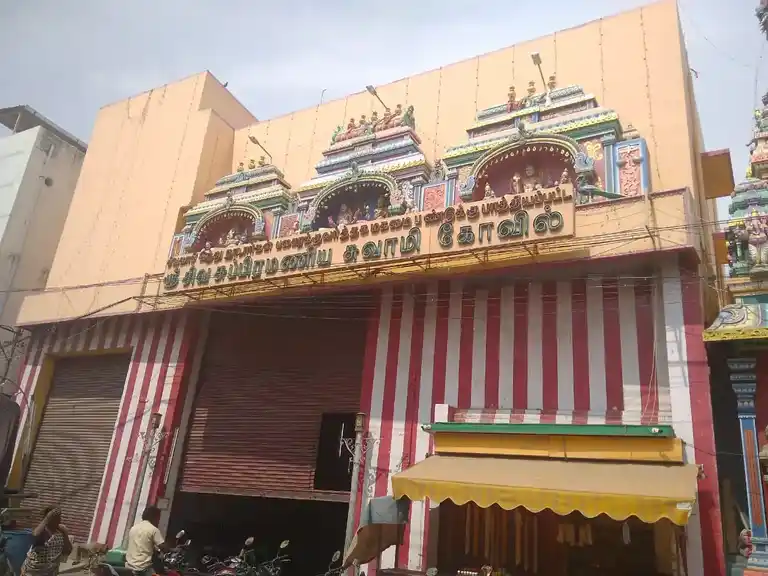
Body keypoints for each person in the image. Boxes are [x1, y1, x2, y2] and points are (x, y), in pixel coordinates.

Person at [21, 507, 72, 576]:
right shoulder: (43, 532)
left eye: (59, 517)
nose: (59, 520)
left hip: (50, 571)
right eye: (55, 518)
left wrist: (65, 534)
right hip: (33, 571)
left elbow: (67, 551)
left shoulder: (60, 533)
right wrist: (48, 517)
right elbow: (35, 536)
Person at [125, 506, 169, 576]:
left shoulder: (133, 528)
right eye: (158, 517)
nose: (159, 520)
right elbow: (163, 547)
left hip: (129, 566)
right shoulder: (153, 529)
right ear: (154, 517)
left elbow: (142, 545)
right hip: (143, 568)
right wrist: (173, 549)